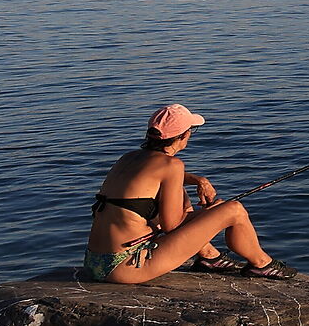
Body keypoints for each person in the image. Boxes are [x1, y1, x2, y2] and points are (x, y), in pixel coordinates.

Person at [82, 104, 295, 283]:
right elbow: (171, 226)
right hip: (128, 265)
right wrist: (212, 213)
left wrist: (198, 181)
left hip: (95, 263)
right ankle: (262, 264)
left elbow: (150, 182)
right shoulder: (172, 165)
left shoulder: (128, 158)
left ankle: (210, 257)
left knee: (179, 197)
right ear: (183, 136)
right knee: (234, 210)